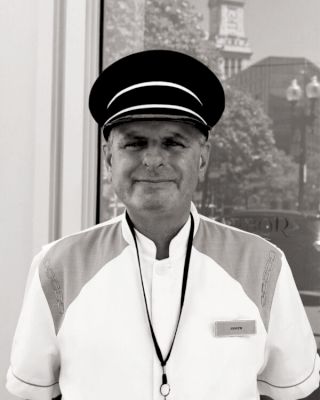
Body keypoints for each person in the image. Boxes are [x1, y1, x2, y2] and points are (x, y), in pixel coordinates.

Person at [6, 49, 320, 400]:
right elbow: (29, 394)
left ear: (202, 159)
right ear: (110, 158)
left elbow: (296, 391)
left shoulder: (263, 266)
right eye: (135, 143)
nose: (153, 160)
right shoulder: (58, 268)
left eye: (173, 143)